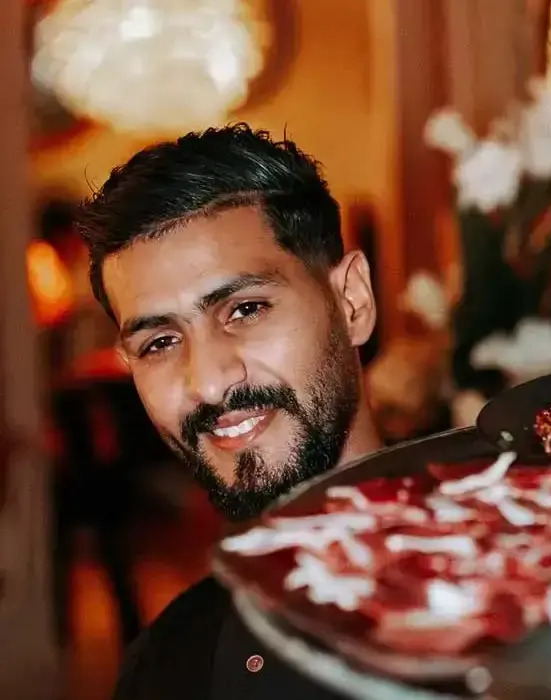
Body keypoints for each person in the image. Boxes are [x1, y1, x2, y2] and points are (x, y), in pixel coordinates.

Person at [76, 123, 384, 699]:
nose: (210, 383)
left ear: (352, 302)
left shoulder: (540, 575)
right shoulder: (165, 671)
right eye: (160, 342)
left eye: (245, 310)